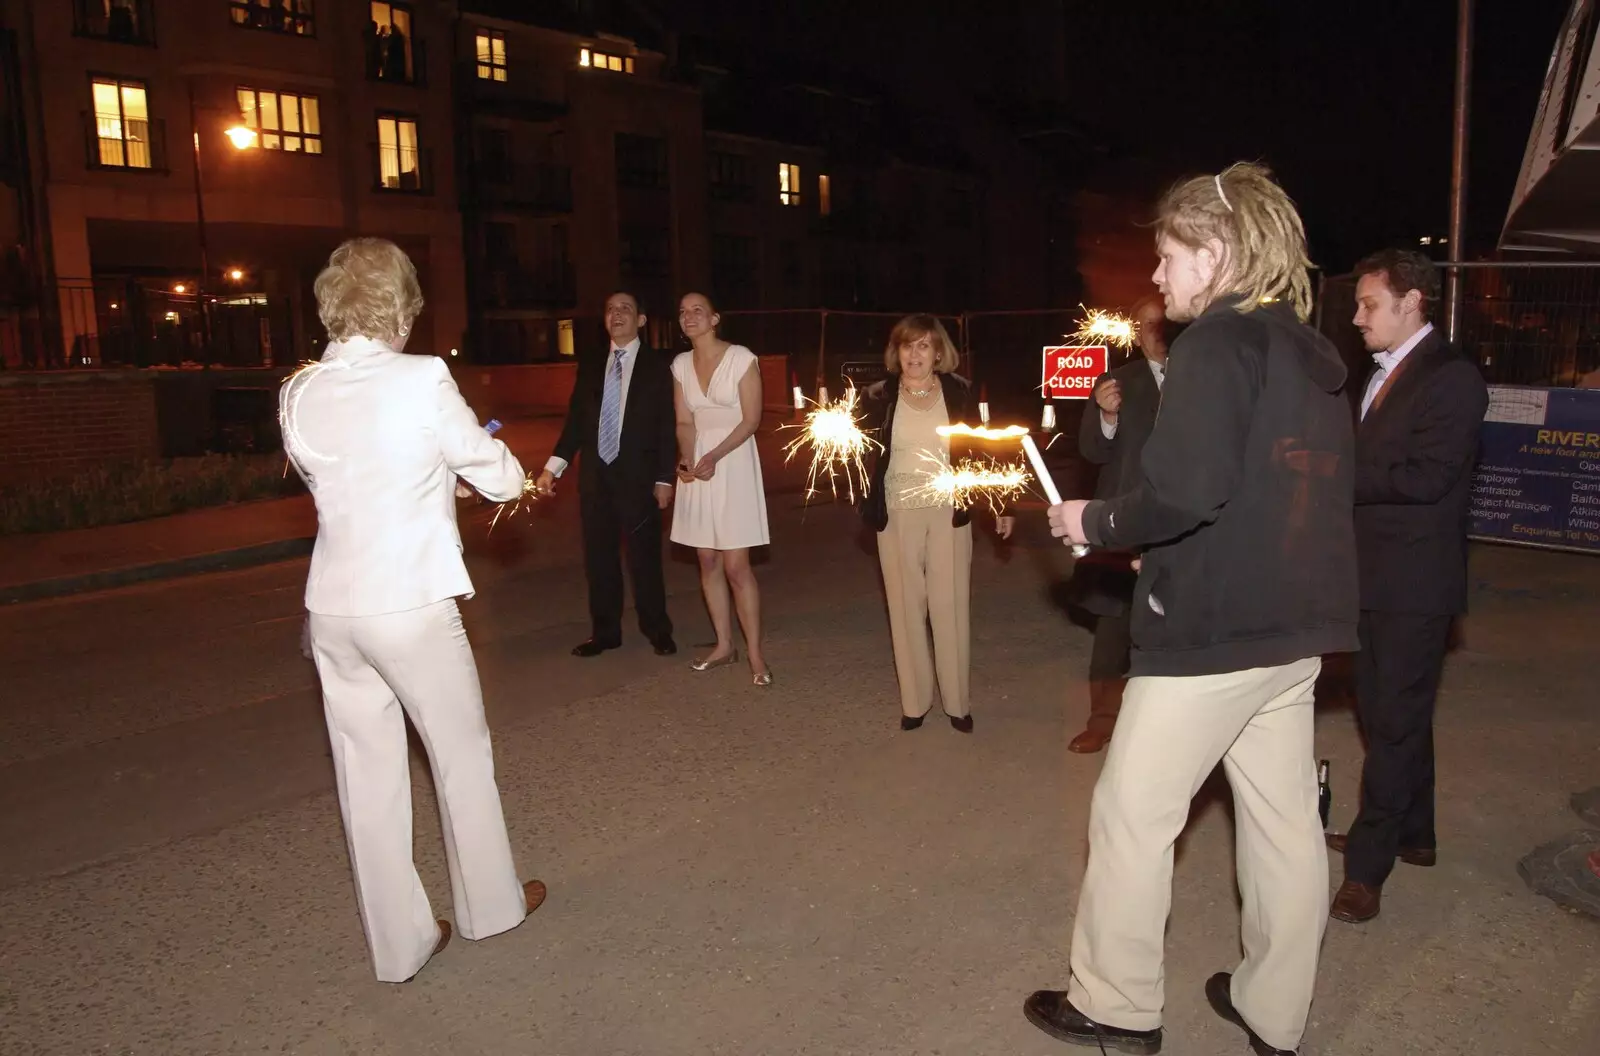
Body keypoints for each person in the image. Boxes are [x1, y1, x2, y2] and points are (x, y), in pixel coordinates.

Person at [1026, 163, 1358, 1056]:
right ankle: (1272, 1008)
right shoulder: (1308, 348)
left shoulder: (1218, 344)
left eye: (1169, 258)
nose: (1159, 279)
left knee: (1132, 816)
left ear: (1215, 254)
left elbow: (1186, 491)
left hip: (1212, 633)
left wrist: (1092, 518)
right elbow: (1277, 489)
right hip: (1295, 630)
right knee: (1285, 828)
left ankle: (1116, 1004)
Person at [279, 238, 544, 983]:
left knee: (366, 778)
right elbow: (495, 475)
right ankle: (491, 908)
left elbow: (346, 482)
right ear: (398, 305)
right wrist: (492, 476)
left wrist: (431, 481)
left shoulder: (298, 392)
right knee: (460, 755)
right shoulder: (423, 377)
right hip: (409, 601)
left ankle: (400, 946)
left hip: (333, 609)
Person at [1325, 249, 1487, 924]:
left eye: (1369, 305)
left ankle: (1368, 867)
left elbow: (1426, 478)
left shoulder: (1452, 379)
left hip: (1414, 585)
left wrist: (1328, 476)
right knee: (1391, 710)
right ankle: (1414, 832)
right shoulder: (1380, 372)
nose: (1358, 318)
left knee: (1391, 720)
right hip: (1369, 575)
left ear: (1412, 302)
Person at [860, 315, 1014, 733]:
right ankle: (915, 702)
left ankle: (957, 703)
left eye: (924, 346)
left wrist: (999, 502)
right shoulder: (877, 396)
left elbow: (982, 448)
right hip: (896, 511)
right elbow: (857, 453)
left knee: (950, 604)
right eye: (907, 345)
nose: (914, 354)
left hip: (949, 509)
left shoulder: (960, 392)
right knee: (906, 607)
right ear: (897, 352)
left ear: (939, 353)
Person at [535, 292, 678, 658]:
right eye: (611, 309)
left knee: (644, 559)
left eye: (625, 309)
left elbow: (666, 426)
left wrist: (664, 479)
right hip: (596, 478)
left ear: (641, 320)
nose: (616, 314)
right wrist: (554, 467)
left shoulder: (658, 366)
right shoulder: (592, 361)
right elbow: (576, 422)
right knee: (599, 560)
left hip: (639, 479)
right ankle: (605, 632)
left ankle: (656, 628)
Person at [1067, 295, 1169, 754]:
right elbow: (1091, 450)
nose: (1155, 331)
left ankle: (1161, 730)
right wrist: (1107, 416)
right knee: (1114, 627)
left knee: (1172, 627)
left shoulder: (1203, 376)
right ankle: (1101, 720)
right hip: (1127, 519)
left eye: (1163, 323)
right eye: (1147, 324)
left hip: (1179, 521)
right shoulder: (1116, 382)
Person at [669, 292, 772, 685]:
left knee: (735, 565)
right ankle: (724, 645)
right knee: (707, 560)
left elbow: (751, 420)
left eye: (698, 310)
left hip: (733, 462)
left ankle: (757, 656)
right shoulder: (680, 365)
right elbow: (684, 421)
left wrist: (714, 455)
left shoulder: (741, 358)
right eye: (682, 312)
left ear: (715, 319)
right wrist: (687, 457)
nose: (689, 316)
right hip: (700, 466)